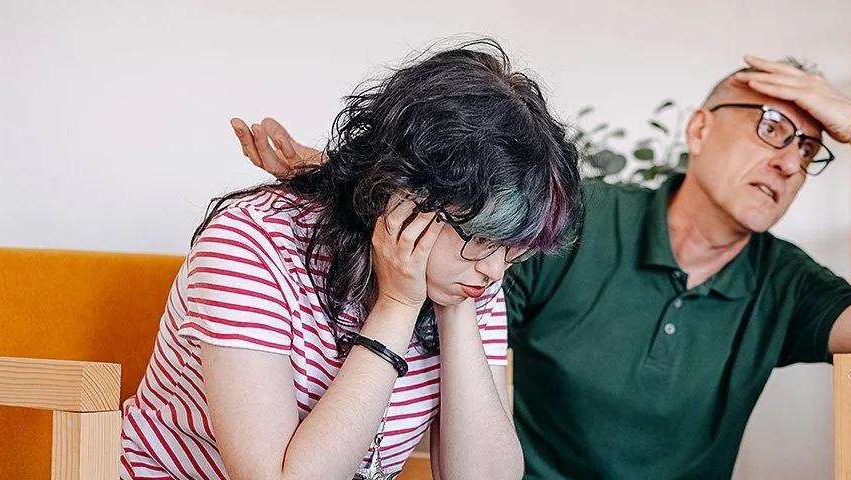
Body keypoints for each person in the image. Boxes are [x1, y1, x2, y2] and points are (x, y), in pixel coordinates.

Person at [235, 55, 851, 478]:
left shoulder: (784, 282)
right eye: (772, 126)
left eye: (810, 148)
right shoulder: (581, 221)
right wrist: (341, 176)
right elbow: (457, 220)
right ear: (700, 127)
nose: (787, 159)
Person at [122, 39, 582, 480]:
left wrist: (455, 310)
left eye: (514, 249)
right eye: (482, 239)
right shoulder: (252, 245)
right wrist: (397, 307)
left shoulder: (467, 276)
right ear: (403, 197)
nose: (496, 269)